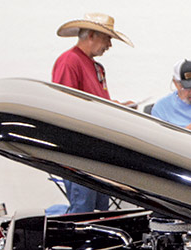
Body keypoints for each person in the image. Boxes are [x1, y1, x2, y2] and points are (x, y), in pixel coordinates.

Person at [51, 13, 134, 213]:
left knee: (99, 210)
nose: (109, 45)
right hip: (79, 151)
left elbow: (94, 102)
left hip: (95, 151)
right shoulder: (69, 61)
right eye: (107, 38)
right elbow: (64, 106)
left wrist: (115, 106)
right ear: (92, 36)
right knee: (84, 211)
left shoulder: (97, 67)